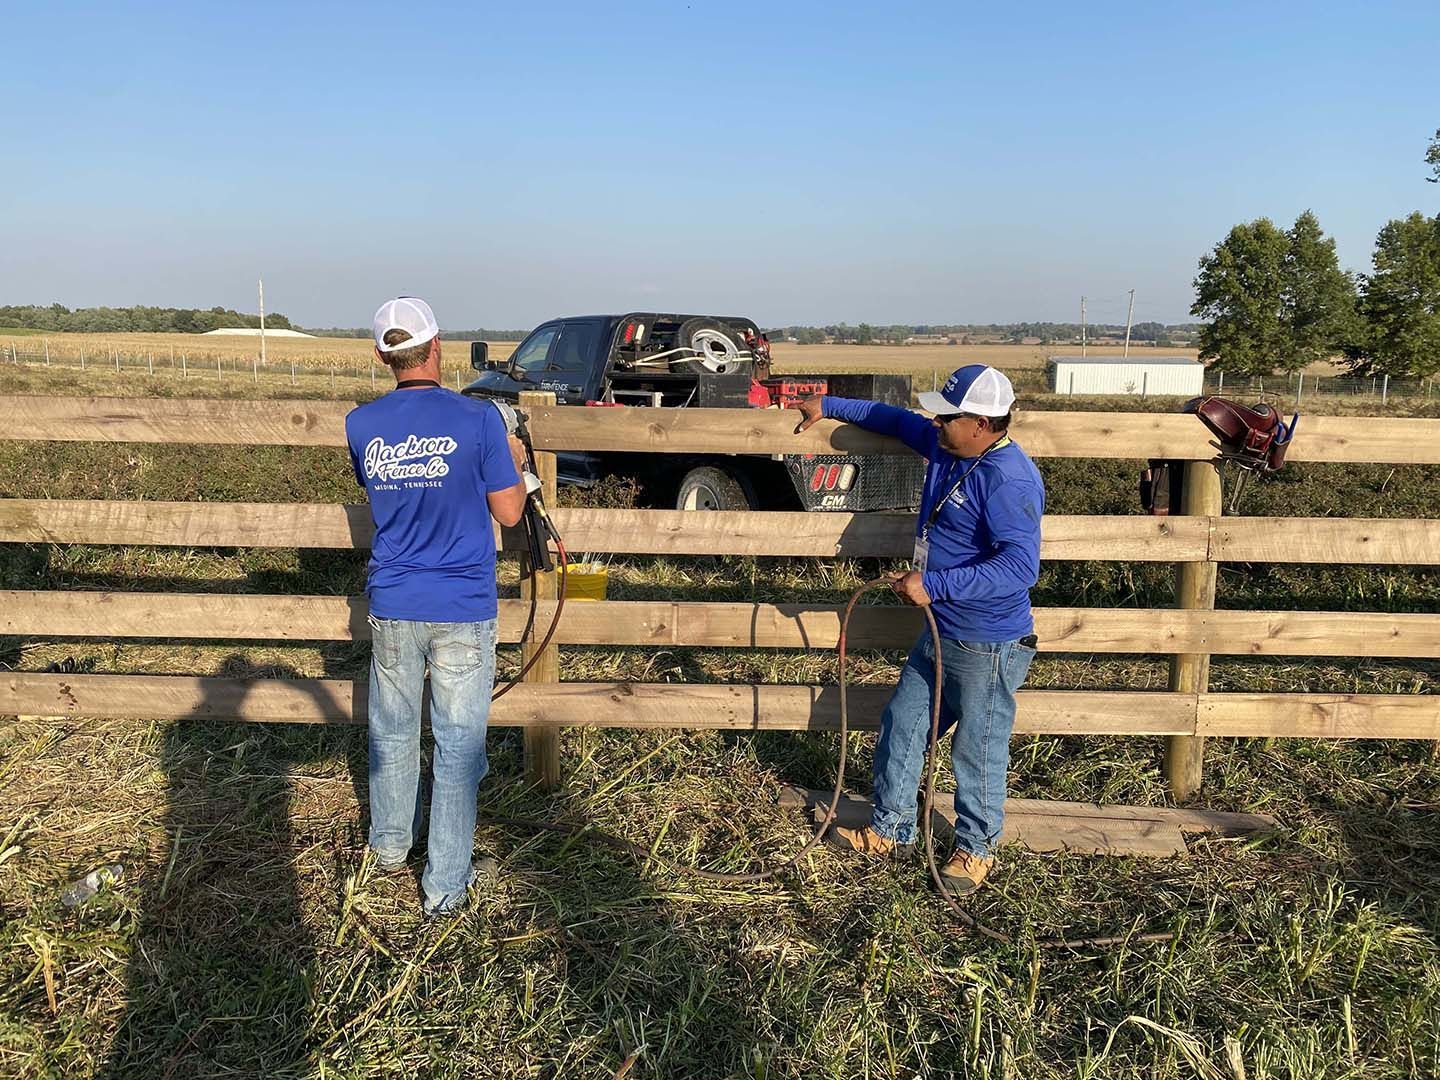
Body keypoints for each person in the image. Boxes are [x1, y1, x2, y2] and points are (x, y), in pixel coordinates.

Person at [792, 365, 1044, 896]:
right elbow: (892, 418)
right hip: (940, 631)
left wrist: (937, 584)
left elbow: (1021, 567)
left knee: (977, 746)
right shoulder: (947, 447)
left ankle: (975, 850)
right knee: (904, 722)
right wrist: (828, 406)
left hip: (987, 640)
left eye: (947, 416)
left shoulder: (1008, 479)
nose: (935, 422)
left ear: (980, 423)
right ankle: (891, 829)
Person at [345, 297, 528, 915]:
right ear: (438, 347)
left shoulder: (361, 424)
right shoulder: (478, 422)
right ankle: (445, 882)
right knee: (458, 744)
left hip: (395, 598)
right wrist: (514, 462)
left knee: (392, 732)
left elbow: (385, 498)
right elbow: (508, 511)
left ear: (382, 356)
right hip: (462, 602)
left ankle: (389, 848)